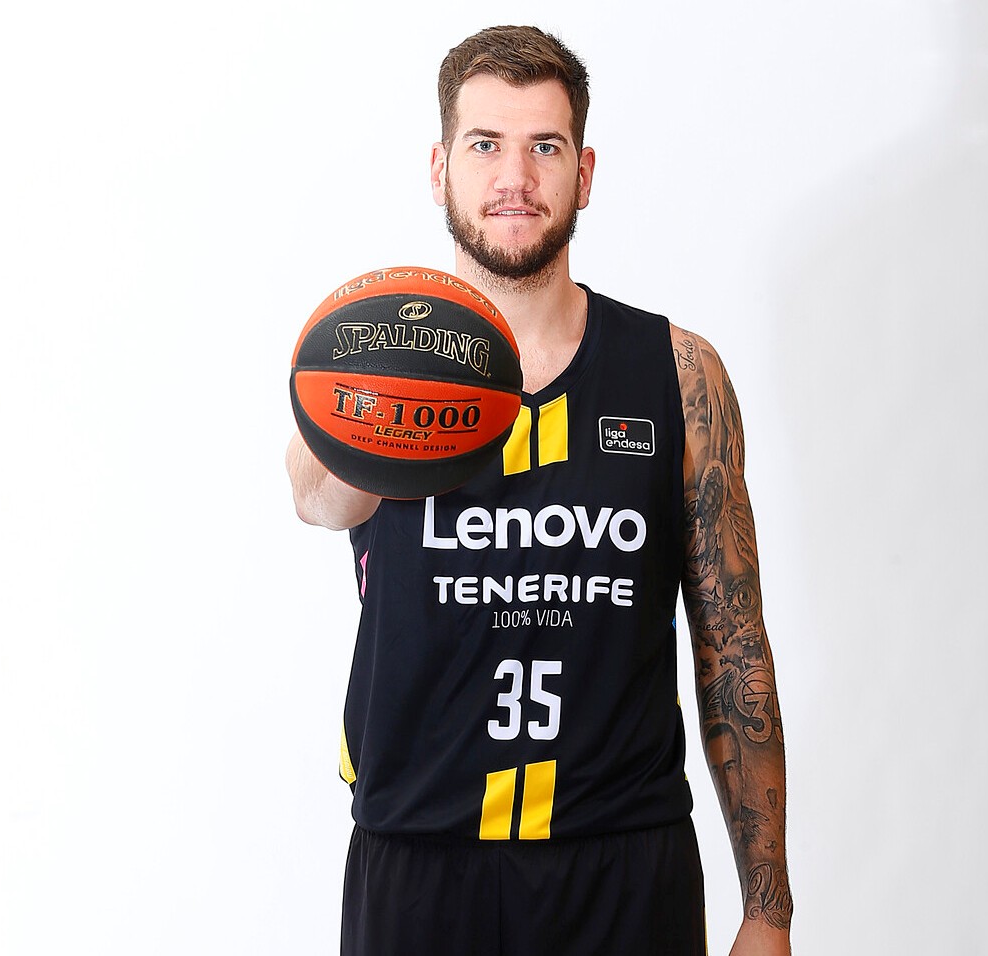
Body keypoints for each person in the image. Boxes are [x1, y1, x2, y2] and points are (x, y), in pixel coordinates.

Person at [286, 25, 792, 956]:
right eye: (485, 144)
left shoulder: (677, 374)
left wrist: (768, 909)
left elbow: (733, 647)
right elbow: (316, 501)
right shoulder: (379, 364)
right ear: (439, 168)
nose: (513, 177)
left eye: (544, 147)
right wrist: (389, 382)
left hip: (622, 863)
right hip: (420, 858)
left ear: (583, 173)